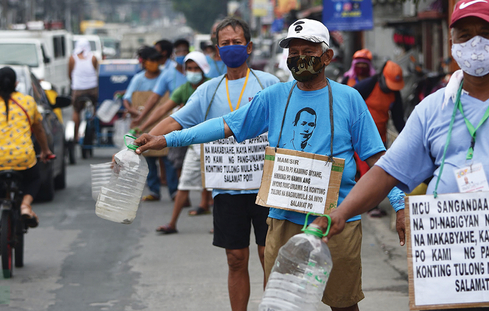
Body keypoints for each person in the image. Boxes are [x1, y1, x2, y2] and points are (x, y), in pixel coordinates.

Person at [320, 0, 489, 311]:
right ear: (452, 44)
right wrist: (339, 214)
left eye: (486, 33)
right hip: (450, 271)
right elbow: (387, 172)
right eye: (465, 35)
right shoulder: (433, 108)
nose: (475, 43)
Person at [135, 18, 406, 311]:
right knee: (283, 304)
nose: (299, 57)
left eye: (309, 50)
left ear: (327, 56)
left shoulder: (349, 99)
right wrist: (168, 139)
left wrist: (400, 205)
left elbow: (378, 159)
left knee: (343, 304)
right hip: (283, 219)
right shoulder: (274, 96)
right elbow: (225, 125)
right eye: (293, 51)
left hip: (337, 221)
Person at [135, 17, 280, 311]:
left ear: (249, 46)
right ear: (216, 52)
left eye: (236, 42)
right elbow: (179, 119)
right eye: (224, 44)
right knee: (235, 258)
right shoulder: (208, 90)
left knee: (269, 255)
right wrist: (148, 136)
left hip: (268, 185)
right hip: (226, 187)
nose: (230, 48)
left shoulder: (269, 83)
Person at [0, 67, 53, 250]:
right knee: (34, 178)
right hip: (22, 158)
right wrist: (45, 151)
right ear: (16, 84)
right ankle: (26, 206)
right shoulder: (27, 102)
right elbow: (39, 130)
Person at [152, 51, 214, 234]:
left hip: (215, 143)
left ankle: (219, 225)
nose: (193, 72)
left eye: (196, 68)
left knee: (219, 185)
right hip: (193, 143)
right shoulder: (184, 89)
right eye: (190, 68)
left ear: (204, 69)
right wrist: (143, 130)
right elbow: (168, 114)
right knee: (184, 182)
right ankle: (172, 223)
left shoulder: (213, 87)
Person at [123, 47, 178, 201]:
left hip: (165, 122)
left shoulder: (166, 76)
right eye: (151, 61)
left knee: (168, 158)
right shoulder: (138, 79)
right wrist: (134, 112)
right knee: (149, 159)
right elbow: (127, 99)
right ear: (144, 62)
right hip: (145, 125)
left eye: (156, 61)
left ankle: (174, 191)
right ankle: (154, 190)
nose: (154, 64)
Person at [354, 60, 406, 217]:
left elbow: (398, 120)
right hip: (361, 137)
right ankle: (369, 206)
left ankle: (369, 203)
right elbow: (349, 103)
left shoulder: (394, 94)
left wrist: (406, 138)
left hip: (380, 138)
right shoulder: (367, 86)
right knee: (367, 172)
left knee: (379, 171)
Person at [69, 38, 99, 143]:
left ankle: (76, 135)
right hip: (92, 89)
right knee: (96, 106)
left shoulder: (73, 58)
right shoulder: (93, 58)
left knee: (76, 111)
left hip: (78, 89)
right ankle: (95, 129)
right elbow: (96, 71)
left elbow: (70, 74)